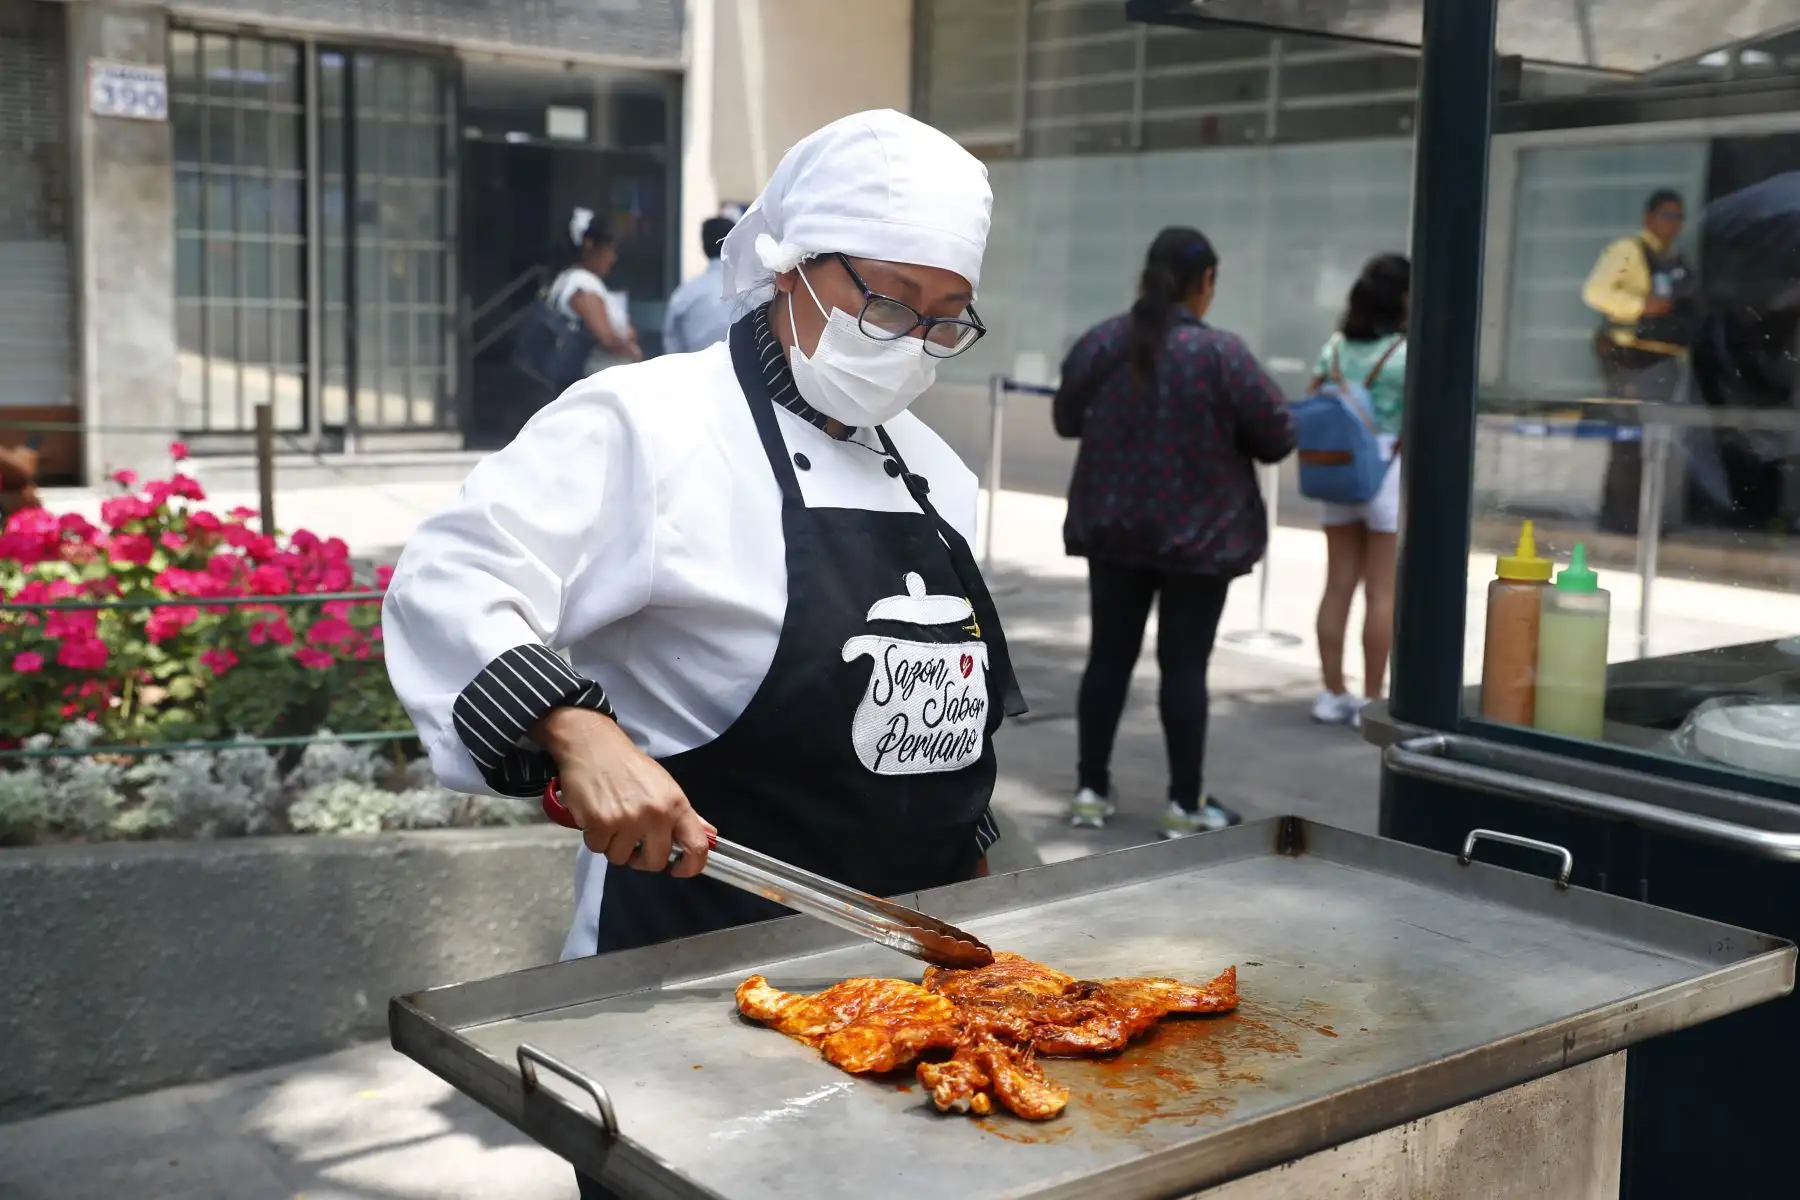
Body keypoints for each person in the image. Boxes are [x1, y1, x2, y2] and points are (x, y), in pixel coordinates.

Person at [382, 109, 1020, 1199]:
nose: (912, 340)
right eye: (887, 301)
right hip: (691, 990)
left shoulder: (936, 475)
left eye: (944, 318)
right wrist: (577, 729)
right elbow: (451, 575)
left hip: (912, 999)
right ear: (792, 264)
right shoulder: (649, 424)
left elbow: (934, 742)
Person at [1052, 226, 1295, 839]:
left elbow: (1065, 419)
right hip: (1198, 539)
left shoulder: (1103, 342)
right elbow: (1276, 436)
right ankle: (1184, 804)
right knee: (1184, 667)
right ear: (1205, 282)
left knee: (1108, 657)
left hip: (1113, 532)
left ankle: (1089, 791)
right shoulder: (1220, 355)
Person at [1307, 254, 1410, 728]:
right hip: (1385, 468)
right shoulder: (1403, 353)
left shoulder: (1335, 348)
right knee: (1381, 592)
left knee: (1337, 585)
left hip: (1340, 468)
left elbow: (1315, 395)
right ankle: (1371, 698)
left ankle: (1332, 693)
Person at [1582, 189, 1696, 534]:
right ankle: (1620, 519)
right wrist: (1640, 306)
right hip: (1629, 354)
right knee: (1628, 438)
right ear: (1649, 218)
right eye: (1666, 216)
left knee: (1656, 440)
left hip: (1664, 359)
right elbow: (1595, 292)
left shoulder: (1675, 259)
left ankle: (1645, 519)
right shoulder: (1628, 250)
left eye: (1678, 217)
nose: (1672, 224)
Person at [550, 207, 642, 375]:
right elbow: (605, 337)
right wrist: (631, 350)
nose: (613, 258)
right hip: (599, 379)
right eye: (609, 249)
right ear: (589, 247)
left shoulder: (569, 280)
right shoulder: (582, 284)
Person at [662, 214, 738, 354]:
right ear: (735, 245)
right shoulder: (756, 294)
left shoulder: (684, 295)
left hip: (693, 366)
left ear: (703, 247)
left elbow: (672, 350)